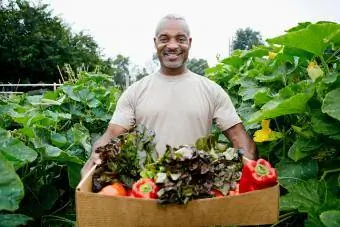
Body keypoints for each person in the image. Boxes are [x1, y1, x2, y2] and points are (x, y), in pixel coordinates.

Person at [81, 13, 257, 178]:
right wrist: (94, 159)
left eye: (180, 39)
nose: (172, 45)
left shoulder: (212, 90)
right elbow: (111, 135)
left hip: (198, 190)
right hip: (148, 190)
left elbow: (239, 138)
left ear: (189, 42)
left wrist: (250, 173)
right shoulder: (135, 92)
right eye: (164, 39)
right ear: (155, 42)